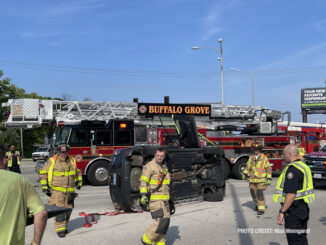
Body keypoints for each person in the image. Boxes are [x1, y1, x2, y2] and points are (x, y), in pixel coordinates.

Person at [0, 143, 47, 245]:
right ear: (4, 160)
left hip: (15, 168)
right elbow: (41, 214)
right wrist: (35, 243)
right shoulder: (21, 181)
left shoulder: (16, 153)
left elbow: (20, 159)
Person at [274, 144, 314, 245]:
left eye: (284, 154)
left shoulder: (292, 170)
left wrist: (282, 212)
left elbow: (291, 194)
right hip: (303, 209)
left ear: (290, 154)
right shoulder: (304, 166)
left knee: (294, 240)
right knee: (301, 238)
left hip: (294, 211)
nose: (283, 156)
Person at [39, 144, 82, 238]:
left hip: (70, 191)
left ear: (68, 151)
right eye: (62, 152)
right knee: (60, 211)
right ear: (58, 152)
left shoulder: (72, 160)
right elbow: (43, 173)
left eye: (65, 152)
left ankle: (64, 226)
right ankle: (60, 230)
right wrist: (44, 186)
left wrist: (79, 181)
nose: (63, 154)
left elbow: (77, 171)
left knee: (68, 210)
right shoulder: (52, 160)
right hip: (57, 191)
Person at [140, 148, 171, 245]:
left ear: (164, 157)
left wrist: (171, 200)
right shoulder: (149, 166)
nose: (159, 157)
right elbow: (143, 182)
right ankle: (146, 238)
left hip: (165, 200)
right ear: (155, 155)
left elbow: (166, 186)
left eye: (161, 156)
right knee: (162, 221)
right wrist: (143, 195)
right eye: (158, 155)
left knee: (165, 222)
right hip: (155, 199)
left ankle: (160, 242)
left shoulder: (164, 167)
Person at [242, 144, 272, 215]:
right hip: (252, 179)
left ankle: (261, 209)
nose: (255, 151)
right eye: (254, 149)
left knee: (259, 193)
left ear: (259, 150)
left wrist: (269, 178)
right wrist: (245, 173)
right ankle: (256, 205)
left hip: (261, 179)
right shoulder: (251, 157)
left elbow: (268, 168)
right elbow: (247, 166)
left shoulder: (264, 158)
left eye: (257, 149)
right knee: (253, 192)